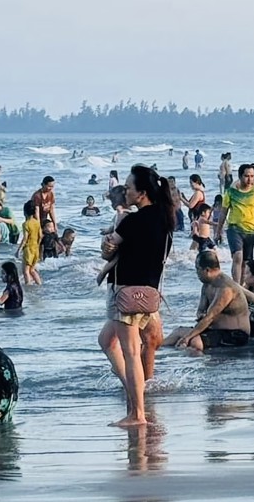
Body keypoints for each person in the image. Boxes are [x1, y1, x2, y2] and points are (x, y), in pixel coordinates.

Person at [98, 165, 174, 427]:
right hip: (149, 294)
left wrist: (106, 246)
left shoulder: (131, 220)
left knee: (130, 352)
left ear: (141, 193)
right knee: (106, 340)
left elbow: (108, 251)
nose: (126, 191)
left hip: (126, 292)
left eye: (129, 188)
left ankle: (137, 413)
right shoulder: (165, 219)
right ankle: (134, 389)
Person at [165, 250, 251, 351]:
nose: (196, 273)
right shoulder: (206, 284)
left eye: (197, 269)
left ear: (207, 270)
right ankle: (155, 349)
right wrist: (200, 315)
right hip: (214, 331)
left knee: (194, 341)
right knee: (178, 331)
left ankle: (196, 364)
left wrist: (187, 337)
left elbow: (210, 317)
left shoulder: (225, 288)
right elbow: (201, 311)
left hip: (235, 334)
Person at [215, 163, 254, 286]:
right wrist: (218, 232)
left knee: (246, 262)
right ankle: (236, 287)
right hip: (234, 229)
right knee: (237, 257)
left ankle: (242, 288)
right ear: (240, 176)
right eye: (246, 176)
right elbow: (223, 213)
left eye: (252, 176)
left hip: (251, 231)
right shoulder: (230, 193)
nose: (250, 179)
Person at [16, 201, 42, 285]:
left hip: (28, 250)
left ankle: (28, 286)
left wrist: (18, 250)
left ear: (24, 212)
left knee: (26, 271)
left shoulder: (26, 224)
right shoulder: (37, 223)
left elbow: (25, 238)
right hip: (36, 249)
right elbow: (40, 236)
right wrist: (37, 246)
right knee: (32, 270)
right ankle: (39, 283)